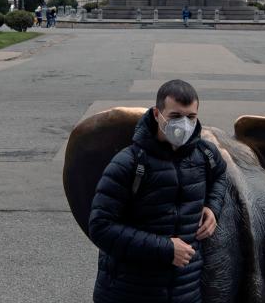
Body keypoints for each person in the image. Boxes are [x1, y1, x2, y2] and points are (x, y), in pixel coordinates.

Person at [88, 79, 227, 303]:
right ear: (156, 114)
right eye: (175, 116)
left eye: (191, 117)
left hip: (185, 291)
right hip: (130, 291)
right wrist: (165, 249)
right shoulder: (128, 163)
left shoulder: (205, 155)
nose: (184, 125)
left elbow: (221, 175)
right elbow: (100, 227)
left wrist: (213, 206)